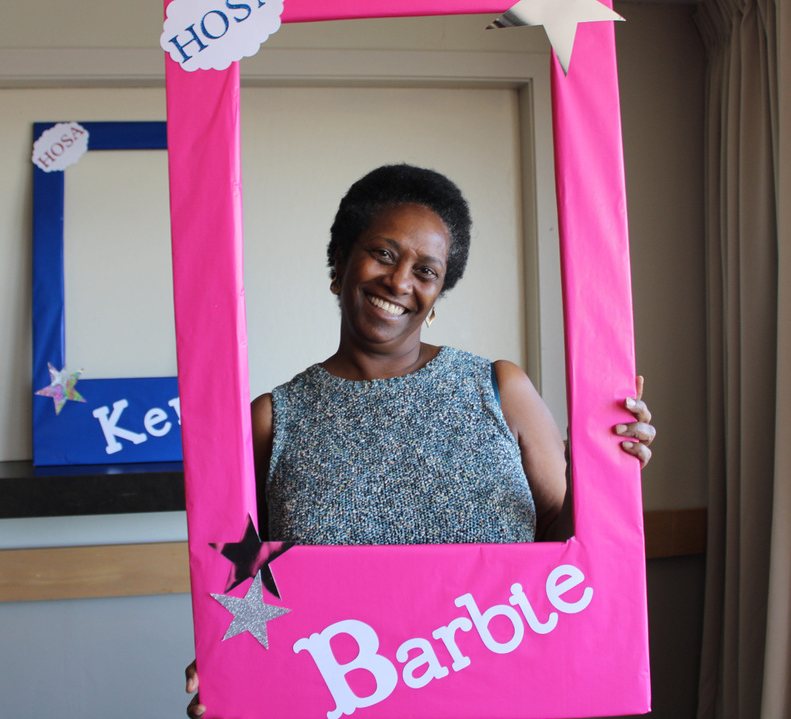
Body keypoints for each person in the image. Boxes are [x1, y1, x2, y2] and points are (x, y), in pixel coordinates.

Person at [185, 163, 655, 715]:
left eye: (426, 271)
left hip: (504, 695)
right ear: (339, 262)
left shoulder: (499, 388)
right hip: (346, 699)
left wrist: (606, 468)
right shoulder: (273, 419)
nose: (399, 281)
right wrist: (230, 669)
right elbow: (248, 586)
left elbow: (565, 544)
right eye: (383, 254)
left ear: (437, 294)